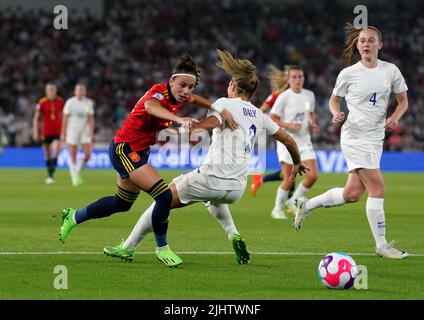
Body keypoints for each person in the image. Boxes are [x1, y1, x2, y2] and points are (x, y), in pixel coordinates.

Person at [103, 49, 307, 266]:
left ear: (234, 86)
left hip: (211, 178)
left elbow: (210, 123)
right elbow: (290, 141)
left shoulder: (224, 104)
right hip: (237, 188)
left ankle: (128, 248)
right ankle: (233, 234)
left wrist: (189, 126)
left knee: (162, 199)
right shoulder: (259, 115)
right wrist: (297, 163)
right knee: (213, 198)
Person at [58, 54, 238, 267]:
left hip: (139, 151)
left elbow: (196, 99)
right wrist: (179, 120)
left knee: (121, 203)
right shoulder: (158, 93)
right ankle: (162, 248)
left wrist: (219, 108)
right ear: (171, 80)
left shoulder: (178, 96)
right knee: (163, 196)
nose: (187, 91)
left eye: (190, 87)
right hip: (125, 149)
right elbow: (151, 107)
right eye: (182, 85)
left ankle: (73, 217)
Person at [294, 23, 409, 259]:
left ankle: (305, 205)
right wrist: (335, 112)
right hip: (355, 137)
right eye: (362, 41)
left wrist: (395, 117)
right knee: (377, 188)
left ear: (380, 44)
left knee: (352, 194)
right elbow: (334, 100)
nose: (366, 44)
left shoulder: (391, 71)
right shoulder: (348, 74)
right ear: (357, 46)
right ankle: (381, 245)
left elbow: (403, 101)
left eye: (370, 40)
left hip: (376, 138)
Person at [267, 65, 320, 220]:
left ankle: (292, 201)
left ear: (304, 78)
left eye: (300, 77)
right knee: (289, 179)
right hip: (287, 142)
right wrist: (289, 125)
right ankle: (276, 209)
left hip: (304, 141)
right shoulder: (284, 97)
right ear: (289, 79)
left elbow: (310, 113)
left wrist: (313, 122)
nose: (298, 80)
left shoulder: (309, 95)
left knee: (313, 176)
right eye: (294, 77)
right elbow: (272, 117)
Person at [250, 65, 295, 198]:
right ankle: (289, 201)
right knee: (291, 170)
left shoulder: (296, 95)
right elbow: (262, 109)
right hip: (282, 133)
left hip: (295, 134)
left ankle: (260, 180)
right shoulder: (277, 94)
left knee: (289, 170)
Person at [61, 83, 95, 186]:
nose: (80, 92)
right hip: (72, 130)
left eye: (82, 90)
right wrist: (63, 133)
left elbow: (91, 118)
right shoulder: (70, 102)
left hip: (84, 130)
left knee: (88, 155)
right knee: (73, 156)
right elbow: (65, 118)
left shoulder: (88, 102)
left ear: (84, 92)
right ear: (75, 91)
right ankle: (74, 178)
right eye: (78, 90)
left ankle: (78, 171)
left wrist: (91, 130)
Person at [32, 83, 65, 184]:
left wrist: (64, 131)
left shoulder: (60, 101)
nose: (51, 92)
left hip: (57, 131)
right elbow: (36, 118)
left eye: (53, 89)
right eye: (49, 90)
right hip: (45, 131)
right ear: (46, 91)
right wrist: (35, 131)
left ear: (56, 91)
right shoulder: (41, 102)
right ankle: (49, 173)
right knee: (47, 153)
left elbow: (64, 117)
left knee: (55, 150)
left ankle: (51, 174)